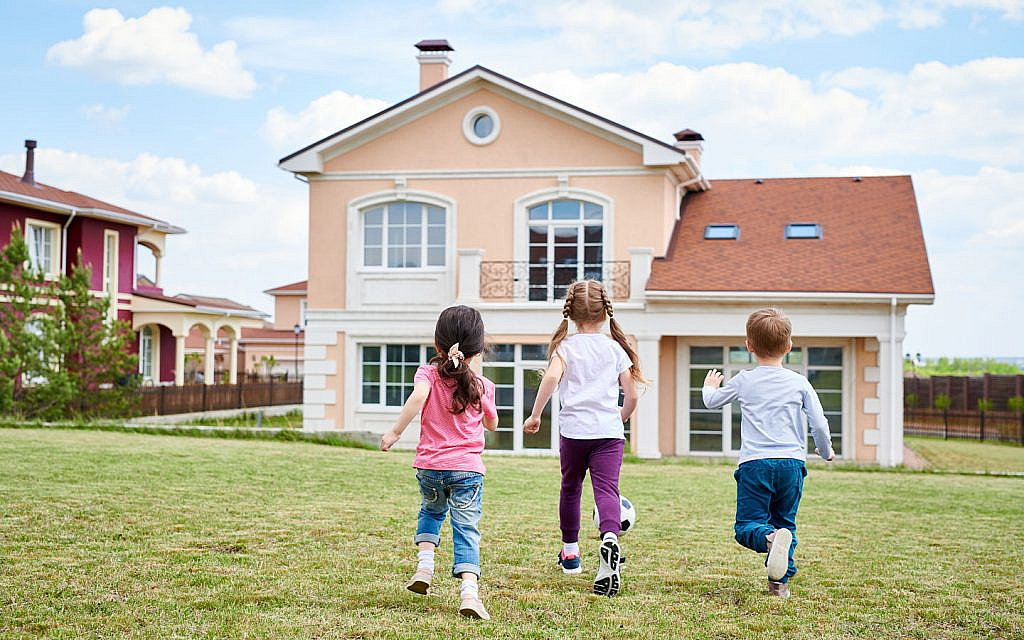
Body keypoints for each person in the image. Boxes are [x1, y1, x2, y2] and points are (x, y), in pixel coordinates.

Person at [523, 279, 645, 597]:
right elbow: (632, 396)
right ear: (604, 313)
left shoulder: (566, 347)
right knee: (607, 490)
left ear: (571, 314)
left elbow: (551, 378)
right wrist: (619, 418)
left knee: (571, 489)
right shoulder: (615, 348)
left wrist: (535, 415)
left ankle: (570, 554)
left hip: (575, 433)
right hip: (608, 434)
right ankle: (610, 538)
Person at [702, 308, 834, 598]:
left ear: (749, 346)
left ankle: (770, 540)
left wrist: (709, 386)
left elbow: (712, 402)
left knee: (746, 527)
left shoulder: (744, 380)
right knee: (785, 523)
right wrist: (825, 451)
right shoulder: (799, 382)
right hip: (792, 464)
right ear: (789, 346)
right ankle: (779, 584)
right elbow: (819, 423)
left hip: (755, 464)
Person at [380, 305, 499, 619]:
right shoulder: (483, 386)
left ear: (437, 344)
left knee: (431, 512)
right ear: (478, 350)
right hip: (467, 470)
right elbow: (492, 424)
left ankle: (425, 567)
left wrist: (395, 432)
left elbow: (418, 397)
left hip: (431, 467)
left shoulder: (427, 374)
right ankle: (469, 594)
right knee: (466, 528)